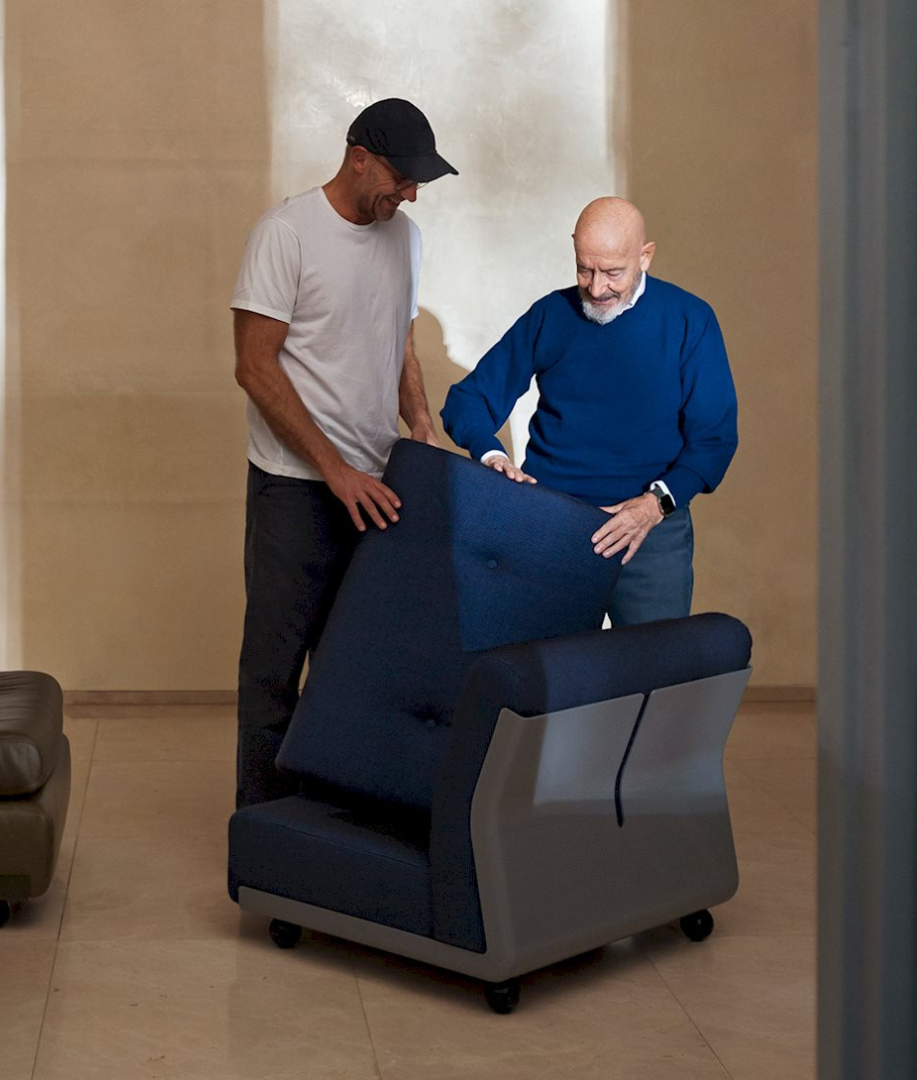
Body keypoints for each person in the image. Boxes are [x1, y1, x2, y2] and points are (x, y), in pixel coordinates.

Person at [231, 98, 457, 807]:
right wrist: (336, 471)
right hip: (296, 488)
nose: (411, 194)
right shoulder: (286, 234)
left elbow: (399, 339)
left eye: (419, 182)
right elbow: (254, 366)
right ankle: (265, 836)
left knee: (354, 674)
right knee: (274, 674)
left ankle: (330, 830)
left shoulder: (406, 237)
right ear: (359, 158)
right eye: (402, 177)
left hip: (378, 489)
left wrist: (420, 426)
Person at [441, 196, 736, 627]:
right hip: (552, 526)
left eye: (613, 272)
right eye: (585, 269)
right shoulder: (550, 315)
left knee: (653, 664)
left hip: (650, 529)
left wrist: (654, 506)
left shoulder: (690, 319)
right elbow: (468, 401)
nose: (597, 289)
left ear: (645, 257)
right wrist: (492, 457)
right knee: (542, 665)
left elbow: (714, 438)